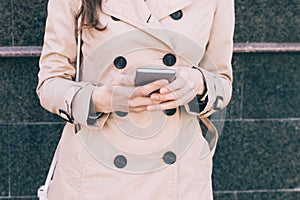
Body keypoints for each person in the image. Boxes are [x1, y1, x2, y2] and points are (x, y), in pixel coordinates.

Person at [37, 0, 234, 199]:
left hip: (181, 176)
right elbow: (50, 83)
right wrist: (101, 99)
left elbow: (223, 83)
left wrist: (198, 83)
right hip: (97, 172)